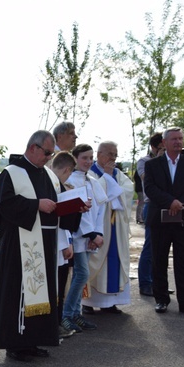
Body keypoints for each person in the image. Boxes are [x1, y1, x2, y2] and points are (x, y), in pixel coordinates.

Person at [0, 130, 82, 361]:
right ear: (33, 148)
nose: (50, 157)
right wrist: (35, 205)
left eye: (51, 153)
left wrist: (75, 207)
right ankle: (16, 343)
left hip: (46, 244)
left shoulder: (49, 175)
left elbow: (57, 206)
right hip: (21, 245)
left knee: (42, 293)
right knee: (20, 294)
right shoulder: (12, 173)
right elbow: (0, 207)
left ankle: (33, 340)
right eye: (47, 152)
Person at [143, 126, 184, 315]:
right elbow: (150, 188)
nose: (178, 142)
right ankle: (161, 299)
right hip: (159, 219)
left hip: (183, 219)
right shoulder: (152, 165)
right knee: (159, 260)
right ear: (165, 142)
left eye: (180, 138)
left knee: (183, 261)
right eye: (174, 139)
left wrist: (180, 202)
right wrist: (170, 201)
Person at [82, 141, 134, 315]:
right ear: (99, 155)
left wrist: (111, 178)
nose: (113, 158)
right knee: (92, 262)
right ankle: (87, 301)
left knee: (115, 260)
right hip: (98, 225)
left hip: (115, 227)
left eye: (115, 154)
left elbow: (127, 191)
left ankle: (110, 302)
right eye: (109, 154)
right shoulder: (90, 174)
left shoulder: (118, 174)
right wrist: (107, 177)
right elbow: (96, 195)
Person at [62, 144, 106, 333]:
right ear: (75, 159)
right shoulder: (70, 180)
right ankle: (67, 314)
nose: (88, 161)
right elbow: (75, 213)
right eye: (84, 158)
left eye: (90, 158)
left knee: (82, 276)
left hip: (90, 237)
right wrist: (90, 233)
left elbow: (100, 209)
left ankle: (75, 313)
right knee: (81, 275)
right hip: (78, 236)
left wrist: (98, 233)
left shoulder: (93, 180)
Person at [49, 151, 78, 338]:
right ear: (67, 170)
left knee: (59, 289)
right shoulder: (53, 184)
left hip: (59, 243)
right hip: (53, 245)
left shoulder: (59, 185)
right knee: (55, 289)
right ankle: (53, 326)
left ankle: (56, 324)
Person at [137, 133, 165, 296]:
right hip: (151, 205)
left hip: (166, 206)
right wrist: (159, 161)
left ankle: (158, 283)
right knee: (150, 246)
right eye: (161, 149)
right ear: (153, 148)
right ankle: (145, 283)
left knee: (162, 248)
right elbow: (147, 179)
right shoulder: (145, 161)